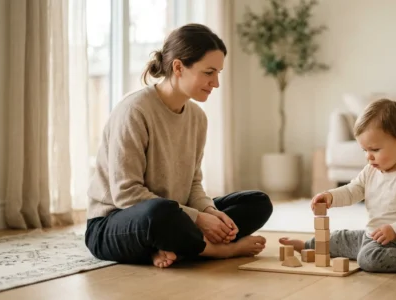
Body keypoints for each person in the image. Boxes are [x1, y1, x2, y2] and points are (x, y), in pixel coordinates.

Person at [85, 23, 273, 268]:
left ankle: (173, 247)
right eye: (209, 72)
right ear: (178, 67)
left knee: (257, 203)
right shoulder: (134, 111)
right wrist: (198, 219)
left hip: (176, 216)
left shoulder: (197, 118)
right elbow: (126, 194)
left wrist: (209, 211)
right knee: (160, 215)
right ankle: (217, 251)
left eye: (218, 73)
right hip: (117, 223)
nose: (215, 83)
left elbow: (193, 183)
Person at [280, 99, 396, 274]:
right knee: (339, 237)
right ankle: (308, 246)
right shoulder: (370, 171)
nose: (368, 156)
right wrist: (331, 196)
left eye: (374, 150)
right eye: (364, 150)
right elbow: (353, 190)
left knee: (368, 258)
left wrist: (395, 230)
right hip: (372, 236)